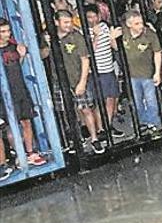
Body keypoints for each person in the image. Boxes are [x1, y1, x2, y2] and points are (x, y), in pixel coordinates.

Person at [55, 10, 104, 154]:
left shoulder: (76, 36)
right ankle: (74, 141)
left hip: (76, 78)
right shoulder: (50, 37)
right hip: (59, 80)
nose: (69, 25)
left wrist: (82, 82)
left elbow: (85, 59)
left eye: (70, 21)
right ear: (56, 22)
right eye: (65, 22)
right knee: (65, 111)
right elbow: (43, 54)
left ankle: (94, 139)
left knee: (86, 109)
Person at [0, 18, 46, 168]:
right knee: (11, 125)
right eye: (3, 31)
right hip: (5, 94)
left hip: (20, 88)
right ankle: (19, 155)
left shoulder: (13, 46)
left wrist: (22, 55)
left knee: (26, 121)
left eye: (8, 30)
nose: (7, 34)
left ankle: (30, 152)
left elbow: (16, 66)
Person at [84, 5, 124, 139]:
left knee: (111, 99)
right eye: (89, 17)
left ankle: (108, 125)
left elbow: (116, 47)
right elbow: (89, 52)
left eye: (94, 16)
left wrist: (112, 38)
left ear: (99, 16)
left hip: (108, 68)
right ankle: (101, 129)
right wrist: (95, 36)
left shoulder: (105, 27)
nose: (92, 19)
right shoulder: (85, 31)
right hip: (96, 71)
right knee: (99, 101)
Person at [120, 10, 162, 134]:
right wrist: (112, 38)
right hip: (131, 74)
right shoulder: (123, 32)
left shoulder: (150, 34)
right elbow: (117, 48)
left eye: (141, 22)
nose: (141, 26)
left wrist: (157, 72)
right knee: (136, 100)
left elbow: (157, 52)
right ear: (129, 24)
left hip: (147, 73)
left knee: (150, 99)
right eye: (137, 24)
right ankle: (142, 121)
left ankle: (153, 122)